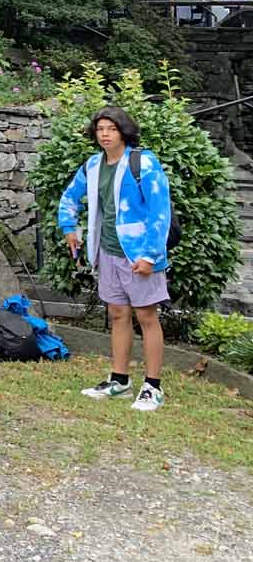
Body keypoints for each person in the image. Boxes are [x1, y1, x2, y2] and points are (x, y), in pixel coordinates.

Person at [59, 105, 172, 412]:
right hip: (107, 251)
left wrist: (150, 255)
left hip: (139, 255)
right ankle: (119, 381)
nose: (105, 135)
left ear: (123, 131)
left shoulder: (142, 162)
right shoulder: (93, 165)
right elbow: (70, 197)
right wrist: (69, 228)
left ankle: (153, 387)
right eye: (100, 129)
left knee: (147, 316)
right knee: (118, 314)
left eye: (111, 129)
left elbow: (160, 211)